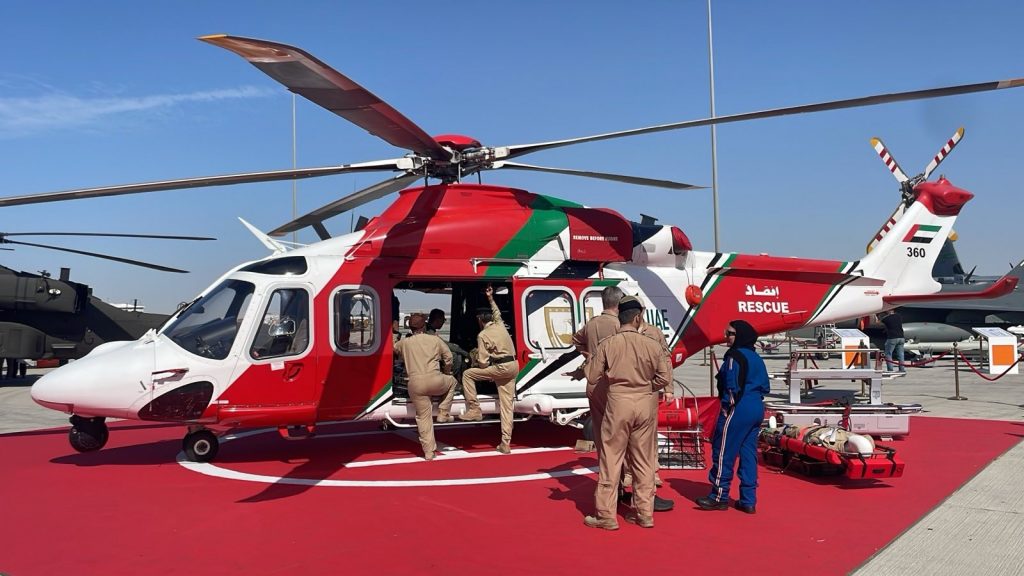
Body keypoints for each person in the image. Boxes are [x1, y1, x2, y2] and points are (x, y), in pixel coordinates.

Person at [583, 296, 672, 530]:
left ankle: (606, 515)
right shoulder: (652, 344)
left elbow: (592, 376)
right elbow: (664, 377)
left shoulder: (608, 344)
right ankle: (645, 514)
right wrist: (647, 387)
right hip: (644, 402)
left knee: (611, 458)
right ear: (637, 318)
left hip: (618, 402)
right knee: (643, 460)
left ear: (619, 318)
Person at [697, 320, 771, 514]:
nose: (726, 337)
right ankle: (748, 499)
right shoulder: (756, 357)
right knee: (748, 454)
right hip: (756, 406)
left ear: (739, 335)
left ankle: (719, 496)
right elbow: (765, 386)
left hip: (738, 407)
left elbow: (731, 385)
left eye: (730, 333)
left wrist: (727, 408)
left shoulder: (733, 357)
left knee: (723, 451)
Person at [438, 285, 518, 454]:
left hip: (501, 367)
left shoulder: (482, 335)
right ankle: (505, 443)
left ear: (480, 320)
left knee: (468, 374)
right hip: (513, 366)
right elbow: (496, 311)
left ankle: (474, 409)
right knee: (507, 406)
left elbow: (482, 362)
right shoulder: (500, 325)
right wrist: (490, 297)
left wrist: (486, 369)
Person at [393, 313, 457, 460]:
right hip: (436, 380)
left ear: (410, 327)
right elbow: (449, 358)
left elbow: (394, 348)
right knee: (452, 381)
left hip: (415, 384)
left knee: (423, 417)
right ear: (424, 326)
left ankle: (429, 452)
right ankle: (443, 412)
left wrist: (395, 333)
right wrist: (446, 372)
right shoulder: (435, 339)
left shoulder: (405, 343)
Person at [426, 308, 472, 383]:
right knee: (455, 356)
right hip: (429, 356)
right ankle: (451, 378)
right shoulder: (429, 331)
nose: (443, 322)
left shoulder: (430, 330)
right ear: (437, 319)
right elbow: (444, 344)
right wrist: (465, 353)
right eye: (443, 320)